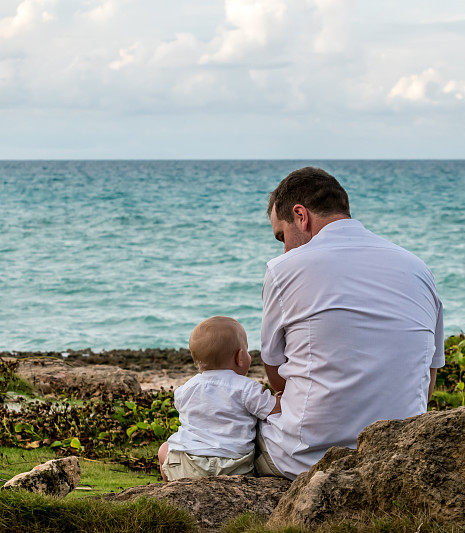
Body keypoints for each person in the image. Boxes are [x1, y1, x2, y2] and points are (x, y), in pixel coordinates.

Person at [254, 167, 445, 480]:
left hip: (308, 459)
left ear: (301, 216)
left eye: (282, 236)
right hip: (397, 452)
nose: (284, 248)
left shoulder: (283, 269)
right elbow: (428, 380)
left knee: (240, 425)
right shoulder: (418, 269)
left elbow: (276, 375)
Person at [158, 316, 281, 481]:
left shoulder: (185, 389)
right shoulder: (247, 388)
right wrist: (280, 396)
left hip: (191, 466)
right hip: (235, 467)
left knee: (164, 450)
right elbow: (273, 410)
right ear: (240, 357)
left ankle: (171, 486)